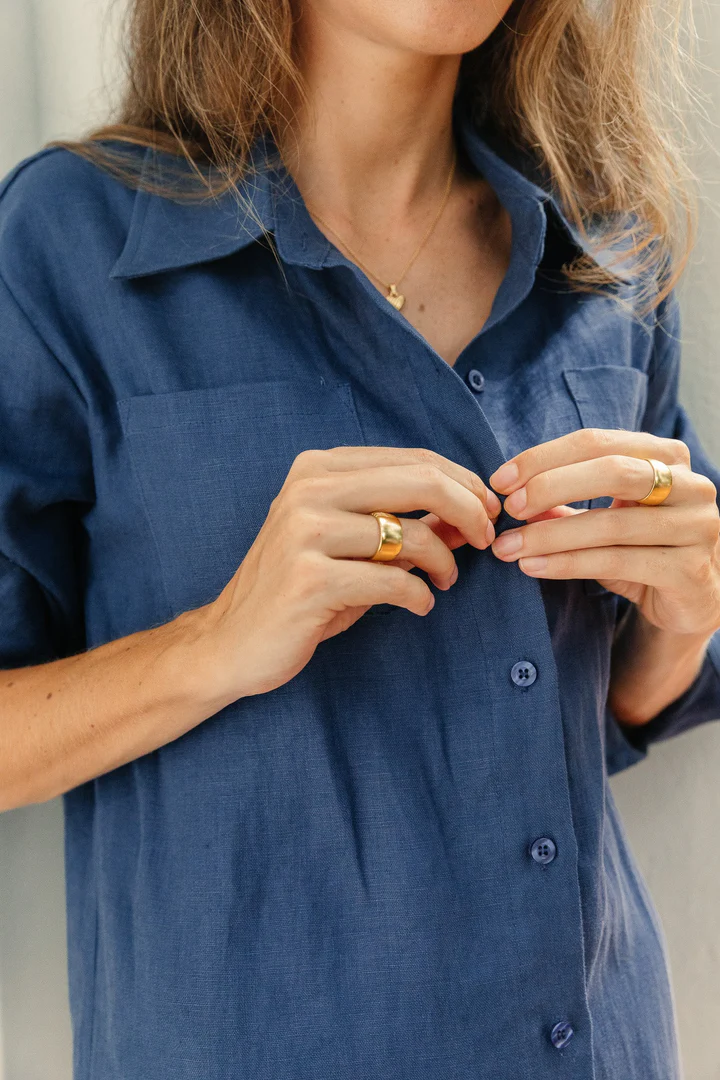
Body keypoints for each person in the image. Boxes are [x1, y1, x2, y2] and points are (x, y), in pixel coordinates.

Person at [1, 0, 719, 1076]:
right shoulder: (66, 244)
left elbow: (604, 711)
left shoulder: (607, 252)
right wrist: (212, 644)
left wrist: (683, 622)